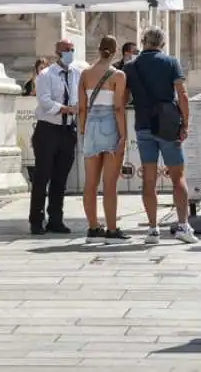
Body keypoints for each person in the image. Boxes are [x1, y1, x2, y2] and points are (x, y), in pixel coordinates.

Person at [124, 27, 198, 245]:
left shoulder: (130, 67)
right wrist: (185, 122)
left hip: (143, 125)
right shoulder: (171, 62)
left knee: (148, 179)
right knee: (178, 177)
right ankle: (183, 226)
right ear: (162, 44)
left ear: (143, 42)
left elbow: (125, 98)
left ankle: (153, 229)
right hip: (167, 126)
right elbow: (182, 95)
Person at [78, 36, 130, 244]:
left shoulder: (85, 73)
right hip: (110, 123)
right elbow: (118, 107)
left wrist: (83, 129)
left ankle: (92, 227)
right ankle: (111, 229)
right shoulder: (118, 75)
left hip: (90, 124)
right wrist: (123, 134)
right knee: (110, 184)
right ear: (115, 51)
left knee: (90, 183)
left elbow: (81, 107)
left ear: (98, 49)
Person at [30, 39, 80, 235]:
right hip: (48, 130)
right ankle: (36, 219)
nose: (70, 53)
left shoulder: (76, 73)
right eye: (66, 50)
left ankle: (56, 218)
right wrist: (66, 109)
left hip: (68, 130)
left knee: (61, 178)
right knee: (43, 177)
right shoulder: (46, 75)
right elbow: (44, 101)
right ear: (57, 52)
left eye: (72, 50)